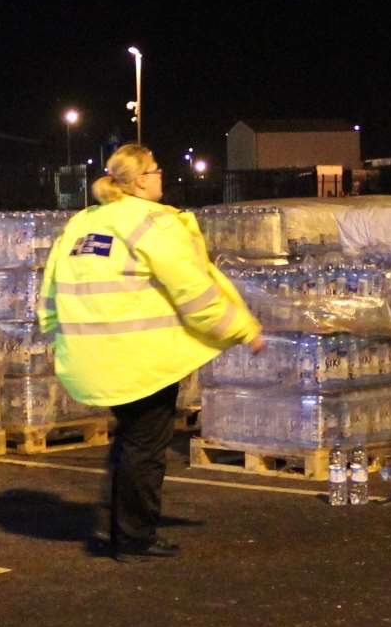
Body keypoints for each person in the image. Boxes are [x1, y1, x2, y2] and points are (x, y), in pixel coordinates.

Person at [40, 144, 262, 561]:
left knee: (128, 443)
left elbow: (50, 291)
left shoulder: (83, 224)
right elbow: (193, 289)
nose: (163, 177)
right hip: (141, 361)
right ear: (141, 179)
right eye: (158, 170)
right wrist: (241, 328)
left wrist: (56, 338)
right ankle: (135, 536)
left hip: (93, 358)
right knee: (145, 448)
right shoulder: (152, 224)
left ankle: (112, 528)